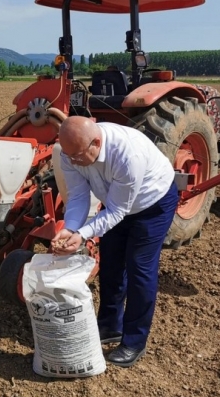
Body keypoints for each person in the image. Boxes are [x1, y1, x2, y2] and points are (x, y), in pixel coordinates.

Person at [50, 116, 178, 368]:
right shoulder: (70, 152)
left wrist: (83, 234)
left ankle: (134, 341)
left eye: (77, 156)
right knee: (110, 263)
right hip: (114, 203)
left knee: (139, 268)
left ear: (96, 143)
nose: (72, 161)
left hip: (152, 204)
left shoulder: (127, 155)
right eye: (68, 155)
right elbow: (77, 195)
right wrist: (70, 228)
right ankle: (109, 326)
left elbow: (118, 212)